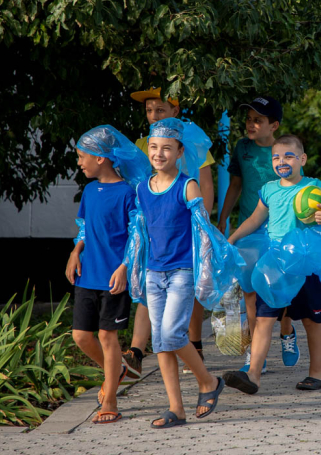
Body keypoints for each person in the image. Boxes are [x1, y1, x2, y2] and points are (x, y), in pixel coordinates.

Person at [223, 135, 321, 394]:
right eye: (276, 157)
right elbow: (255, 220)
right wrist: (232, 239)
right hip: (275, 264)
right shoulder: (269, 189)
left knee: (311, 321)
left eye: (288, 156)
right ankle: (253, 375)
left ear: (302, 159)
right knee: (264, 318)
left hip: (306, 263)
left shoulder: (313, 187)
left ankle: (317, 372)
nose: (282, 161)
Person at [135, 118, 226, 426]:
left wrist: (206, 273)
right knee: (160, 341)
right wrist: (132, 269)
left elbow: (203, 234)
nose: (158, 154)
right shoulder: (142, 188)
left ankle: (208, 382)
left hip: (182, 271)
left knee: (172, 334)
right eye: (153, 147)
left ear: (179, 152)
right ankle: (176, 408)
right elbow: (139, 235)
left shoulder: (188, 186)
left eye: (166, 148)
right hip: (153, 273)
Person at [125, 88, 216, 376]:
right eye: (149, 110)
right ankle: (138, 350)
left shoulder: (192, 143)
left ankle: (195, 346)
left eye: (160, 110)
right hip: (156, 240)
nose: (154, 115)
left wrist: (202, 228)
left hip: (183, 232)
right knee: (157, 321)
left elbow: (205, 187)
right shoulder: (143, 145)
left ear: (175, 111)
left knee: (186, 301)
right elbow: (140, 194)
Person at [66, 126, 150, 425]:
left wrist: (125, 267)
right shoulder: (89, 191)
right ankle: (117, 370)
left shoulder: (127, 193)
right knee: (80, 336)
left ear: (100, 158)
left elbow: (136, 234)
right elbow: (85, 228)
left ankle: (110, 400)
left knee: (106, 336)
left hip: (115, 278)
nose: (79, 162)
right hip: (87, 275)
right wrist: (75, 251)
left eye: (82, 156)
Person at [217, 96, 299, 373]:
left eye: (258, 120)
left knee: (280, 287)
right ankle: (256, 354)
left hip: (280, 230)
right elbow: (235, 184)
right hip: (248, 229)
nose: (250, 124)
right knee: (250, 291)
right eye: (249, 119)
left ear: (274, 125)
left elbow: (298, 191)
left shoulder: (284, 152)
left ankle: (286, 330)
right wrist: (223, 218)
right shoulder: (242, 147)